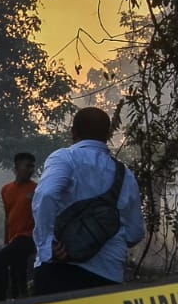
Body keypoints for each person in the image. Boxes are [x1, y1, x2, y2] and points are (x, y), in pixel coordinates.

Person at [32, 107, 145, 294]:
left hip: (60, 270)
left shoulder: (65, 158)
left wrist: (48, 245)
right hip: (107, 276)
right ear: (107, 134)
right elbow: (134, 233)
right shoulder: (125, 175)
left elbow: (46, 195)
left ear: (73, 132)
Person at [0, 152, 38, 301]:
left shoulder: (37, 189)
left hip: (28, 237)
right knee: (17, 271)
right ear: (16, 167)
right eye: (27, 166)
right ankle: (20, 299)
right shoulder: (6, 190)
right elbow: (8, 216)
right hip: (14, 239)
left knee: (0, 260)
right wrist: (6, 240)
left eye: (32, 166)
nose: (30, 170)